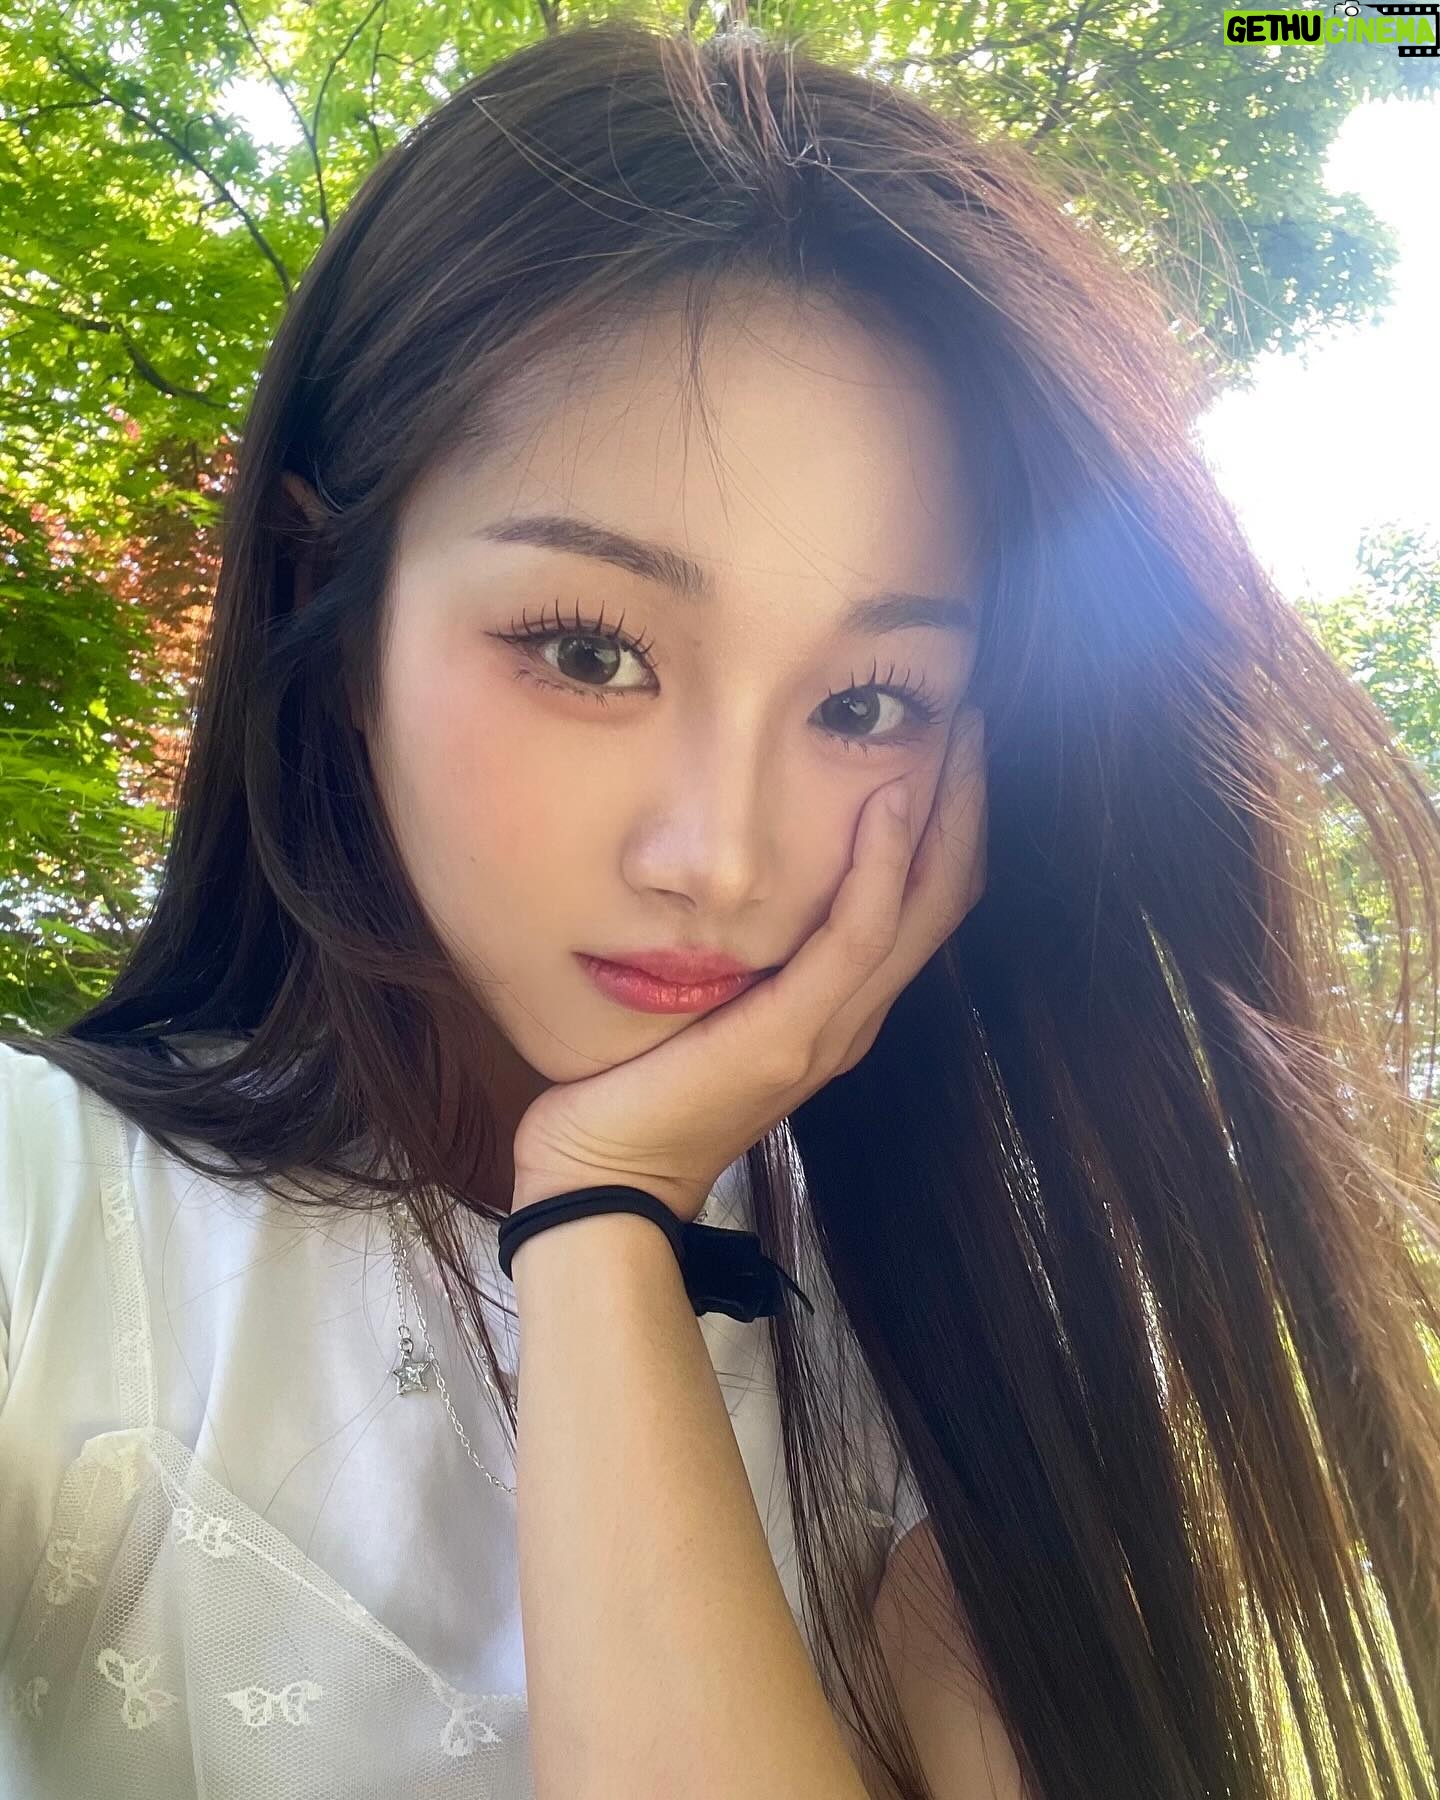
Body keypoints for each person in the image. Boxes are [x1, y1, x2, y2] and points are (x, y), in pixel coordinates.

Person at [2, 16, 1438, 1800]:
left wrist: (604, 1209)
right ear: (332, 612)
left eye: (869, 702)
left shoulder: (979, 1343)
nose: (722, 857)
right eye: (588, 652)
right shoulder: (46, 1222)